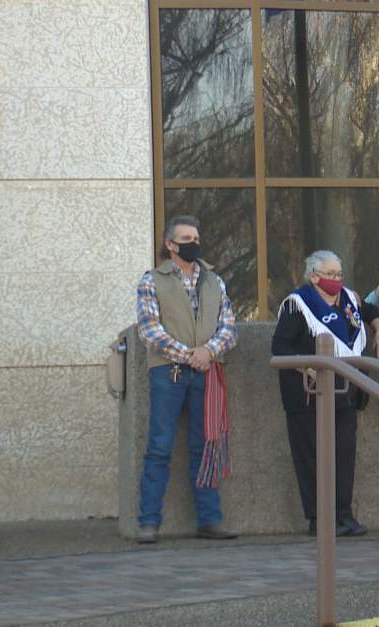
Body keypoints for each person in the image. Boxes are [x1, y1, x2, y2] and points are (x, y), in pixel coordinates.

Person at [134, 215, 239, 544]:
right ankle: (148, 522)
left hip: (207, 372)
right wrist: (189, 354)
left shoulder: (213, 280)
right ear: (170, 244)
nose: (193, 243)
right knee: (159, 447)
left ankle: (209, 520)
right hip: (169, 372)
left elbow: (229, 325)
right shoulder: (152, 280)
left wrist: (208, 352)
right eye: (186, 238)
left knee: (205, 447)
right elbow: (149, 330)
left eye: (196, 237)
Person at [272, 251, 379, 537]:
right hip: (307, 396)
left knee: (344, 456)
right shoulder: (297, 305)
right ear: (314, 276)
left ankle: (343, 514)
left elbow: (370, 311)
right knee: (312, 456)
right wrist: (310, 367)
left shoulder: (349, 298)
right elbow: (280, 347)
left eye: (339, 274)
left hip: (345, 392)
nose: (336, 279)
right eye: (330, 274)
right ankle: (319, 518)